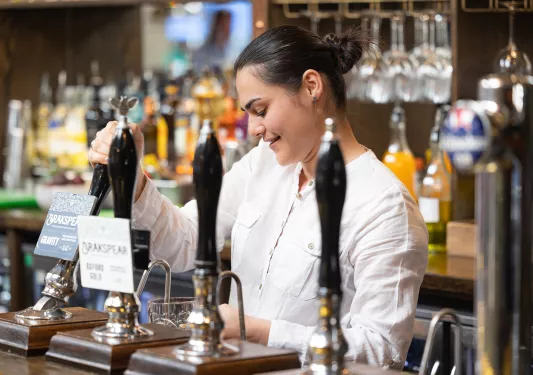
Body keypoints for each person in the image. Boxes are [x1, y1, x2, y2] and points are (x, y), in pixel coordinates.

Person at [89, 25, 428, 369]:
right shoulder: (262, 166)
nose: (252, 129)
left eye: (261, 110)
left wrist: (260, 332)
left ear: (312, 86)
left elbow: (381, 351)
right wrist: (133, 178)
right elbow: (188, 241)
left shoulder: (384, 206)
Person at [191, 10, 233, 74]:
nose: (228, 29)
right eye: (224, 25)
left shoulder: (231, 49)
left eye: (229, 25)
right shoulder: (202, 52)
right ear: (216, 26)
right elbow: (198, 73)